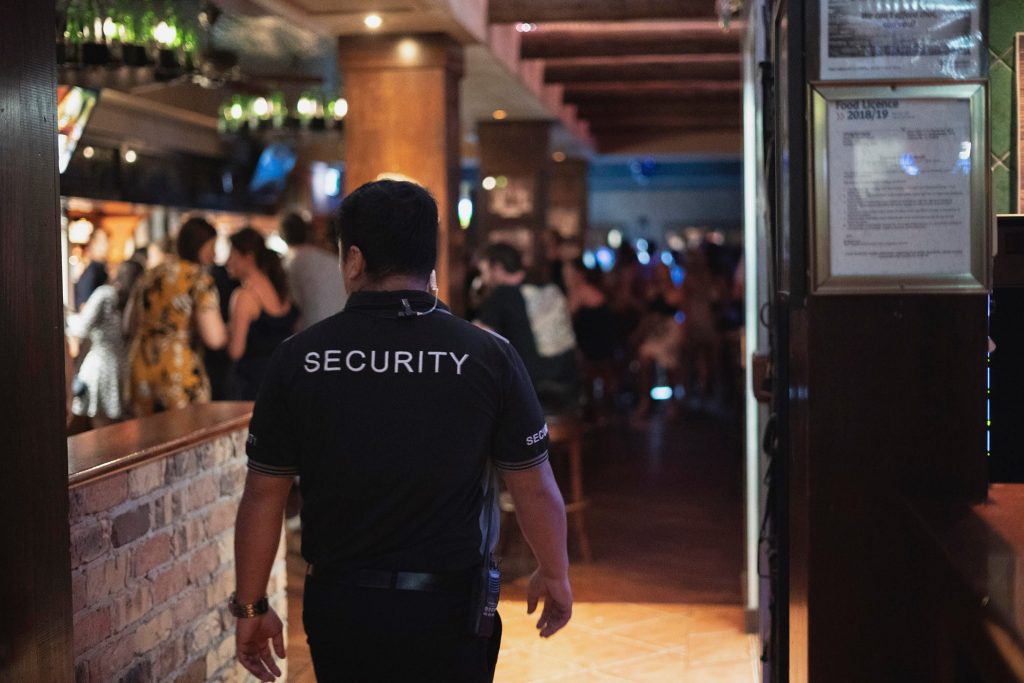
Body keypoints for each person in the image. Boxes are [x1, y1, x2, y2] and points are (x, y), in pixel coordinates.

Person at [231, 180, 572, 683]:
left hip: (341, 605)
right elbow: (535, 487)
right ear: (429, 264)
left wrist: (251, 604)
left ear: (353, 261)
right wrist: (555, 572)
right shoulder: (486, 355)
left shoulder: (298, 358)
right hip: (452, 608)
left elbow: (263, 495)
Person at [127, 217, 228, 415]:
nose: (214, 255)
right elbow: (215, 339)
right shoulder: (198, 279)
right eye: (211, 247)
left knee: (147, 438)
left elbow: (129, 325)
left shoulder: (151, 275)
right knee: (186, 436)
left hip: (141, 366)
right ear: (199, 246)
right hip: (177, 369)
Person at [476, 242, 579, 413]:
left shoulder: (502, 294)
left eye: (484, 272)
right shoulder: (548, 286)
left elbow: (478, 340)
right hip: (569, 385)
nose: (483, 278)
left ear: (498, 268)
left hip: (534, 393)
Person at [225, 227, 299, 401]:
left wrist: (224, 333)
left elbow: (236, 351)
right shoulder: (281, 290)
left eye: (232, 254)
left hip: (252, 387)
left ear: (248, 256)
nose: (228, 262)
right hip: (282, 383)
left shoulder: (244, 296)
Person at [67, 260, 144, 427]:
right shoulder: (137, 300)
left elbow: (81, 328)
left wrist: (66, 315)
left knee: (101, 433)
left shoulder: (105, 295)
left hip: (102, 367)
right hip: (126, 369)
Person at [280, 212, 347, 329]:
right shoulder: (332, 260)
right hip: (342, 329)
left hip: (310, 335)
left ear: (282, 236)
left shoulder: (287, 264)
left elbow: (288, 308)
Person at [74, 227, 109, 309]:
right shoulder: (92, 272)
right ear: (93, 244)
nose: (107, 246)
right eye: (103, 242)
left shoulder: (101, 269)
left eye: (107, 241)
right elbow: (83, 307)